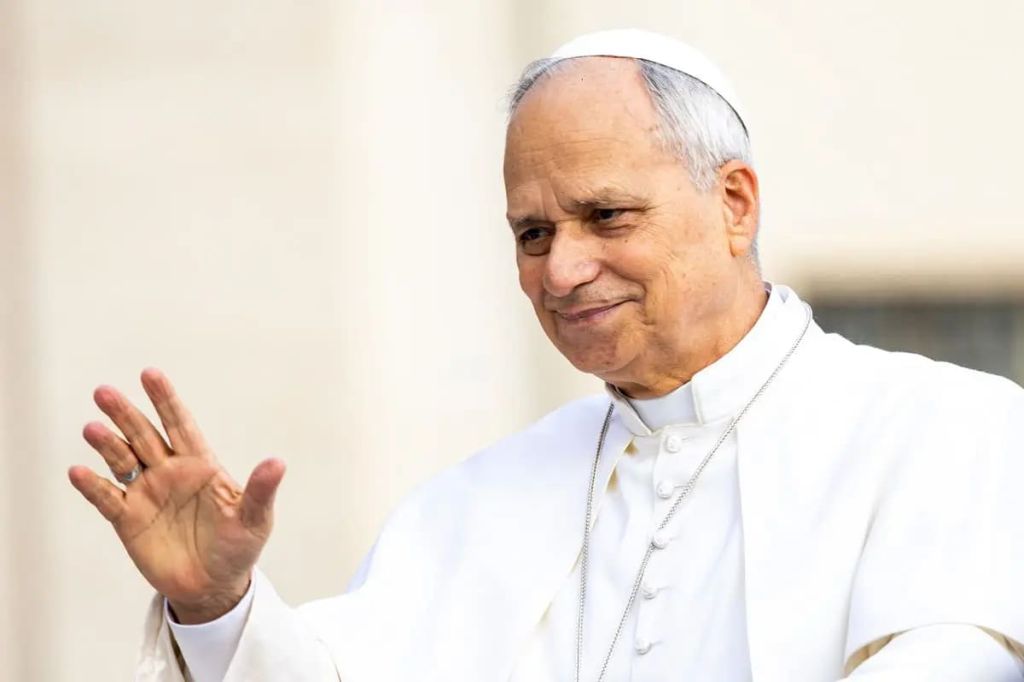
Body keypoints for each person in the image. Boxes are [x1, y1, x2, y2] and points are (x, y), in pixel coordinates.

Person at [68, 29, 1024, 682]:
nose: (562, 269)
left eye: (606, 215)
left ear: (734, 204)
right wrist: (221, 606)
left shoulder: (948, 433)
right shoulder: (475, 501)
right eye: (532, 234)